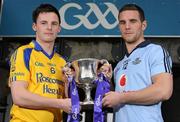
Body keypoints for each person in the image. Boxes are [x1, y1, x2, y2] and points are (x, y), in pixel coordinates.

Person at [102, 3, 173, 122]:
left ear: (143, 25)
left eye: (133, 21)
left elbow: (164, 91)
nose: (127, 26)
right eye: (122, 22)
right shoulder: (119, 66)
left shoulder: (155, 51)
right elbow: (116, 100)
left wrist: (121, 98)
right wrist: (107, 80)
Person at [8, 3, 71, 122]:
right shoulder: (24, 52)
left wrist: (68, 84)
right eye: (43, 23)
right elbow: (19, 96)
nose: (49, 28)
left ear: (59, 28)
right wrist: (59, 103)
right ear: (34, 26)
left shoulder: (63, 62)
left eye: (54, 24)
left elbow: (67, 102)